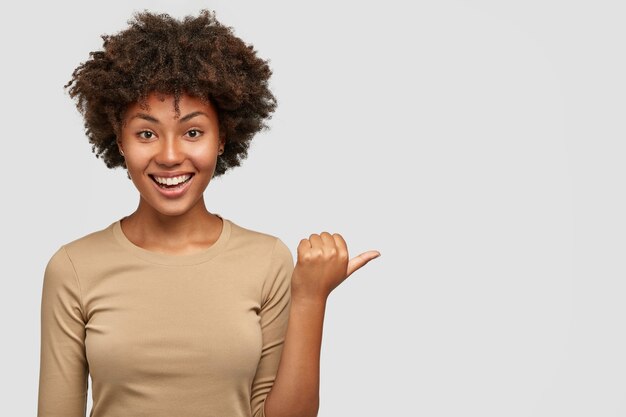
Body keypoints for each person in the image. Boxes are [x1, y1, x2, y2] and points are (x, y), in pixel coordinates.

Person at [37, 9, 380, 417]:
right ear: (120, 141)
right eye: (146, 133)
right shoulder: (74, 267)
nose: (169, 156)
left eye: (193, 132)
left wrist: (310, 298)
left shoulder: (266, 260)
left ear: (222, 139)